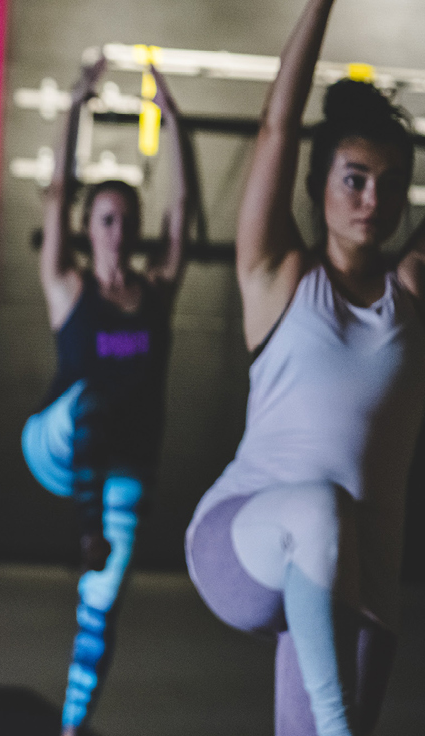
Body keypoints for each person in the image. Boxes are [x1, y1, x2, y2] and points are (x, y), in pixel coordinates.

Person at [185, 1, 425, 734]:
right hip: (242, 542)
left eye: (389, 183)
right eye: (354, 178)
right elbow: (277, 127)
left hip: (364, 584)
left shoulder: (411, 293)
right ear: (320, 182)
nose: (372, 199)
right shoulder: (278, 276)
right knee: (320, 508)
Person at [20, 58, 198, 736]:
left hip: (125, 465)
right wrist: (76, 104)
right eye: (104, 219)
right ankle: (88, 530)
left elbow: (184, 212)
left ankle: (73, 725)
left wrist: (175, 121)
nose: (116, 231)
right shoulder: (68, 288)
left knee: (102, 606)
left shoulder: (156, 292)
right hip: (55, 445)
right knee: (92, 396)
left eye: (125, 219)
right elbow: (58, 190)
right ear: (88, 227)